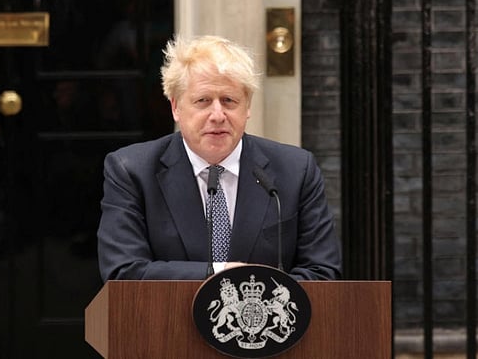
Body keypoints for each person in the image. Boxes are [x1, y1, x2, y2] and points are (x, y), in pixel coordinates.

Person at [97, 34, 341, 281]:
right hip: (167, 318)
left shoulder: (296, 170)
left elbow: (322, 272)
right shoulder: (132, 171)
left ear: (247, 108)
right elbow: (123, 272)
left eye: (229, 101)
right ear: (175, 107)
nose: (217, 115)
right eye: (203, 101)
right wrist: (219, 273)